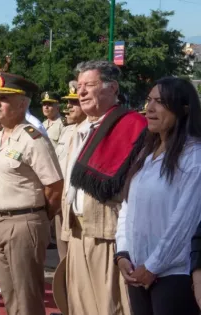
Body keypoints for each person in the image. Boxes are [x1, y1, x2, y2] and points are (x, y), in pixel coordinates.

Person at [62, 60, 147, 315]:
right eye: (79, 86)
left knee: (110, 307)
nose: (82, 92)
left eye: (89, 85)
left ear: (113, 88)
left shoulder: (133, 126)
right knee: (80, 307)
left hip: (108, 236)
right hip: (78, 232)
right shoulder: (79, 130)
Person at [115, 77, 201, 315]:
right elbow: (127, 208)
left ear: (183, 109)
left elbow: (185, 223)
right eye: (149, 100)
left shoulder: (194, 157)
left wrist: (153, 266)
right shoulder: (147, 153)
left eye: (160, 102)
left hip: (173, 275)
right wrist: (122, 253)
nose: (149, 108)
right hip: (138, 271)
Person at [0, 73, 63, 315]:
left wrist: (38, 218)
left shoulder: (32, 138)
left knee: (27, 296)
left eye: (4, 99)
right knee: (9, 294)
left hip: (23, 222)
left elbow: (55, 186)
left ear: (22, 104)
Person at [55, 81, 86, 260]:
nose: (69, 106)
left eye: (74, 102)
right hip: (62, 200)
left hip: (78, 204)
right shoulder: (66, 131)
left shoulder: (91, 131)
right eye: (68, 102)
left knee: (78, 256)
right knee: (63, 256)